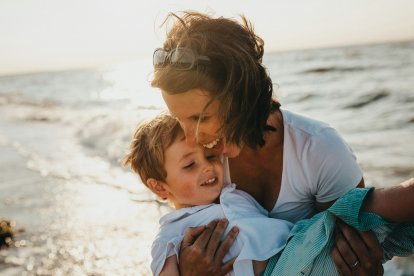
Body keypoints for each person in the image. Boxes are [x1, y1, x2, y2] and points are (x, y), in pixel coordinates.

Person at [150, 11, 385, 275]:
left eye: (200, 118)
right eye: (179, 119)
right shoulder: (201, 163)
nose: (191, 137)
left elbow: (356, 253)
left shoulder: (319, 150)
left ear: (241, 96)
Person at [123, 113, 414, 276]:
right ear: (159, 187)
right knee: (366, 209)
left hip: (300, 248)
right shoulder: (170, 235)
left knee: (394, 232)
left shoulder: (234, 193)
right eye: (189, 164)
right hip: (286, 268)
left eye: (210, 156)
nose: (208, 167)